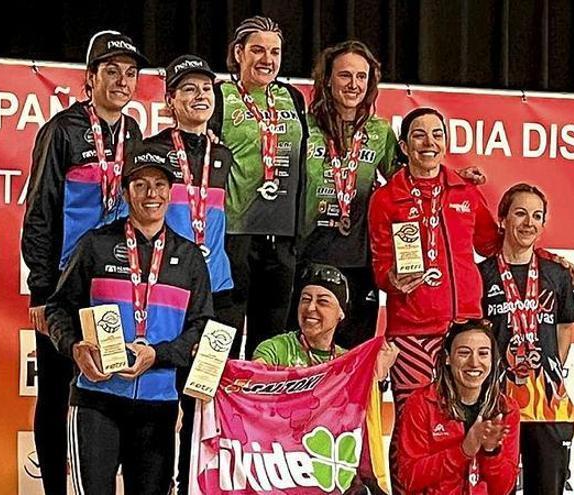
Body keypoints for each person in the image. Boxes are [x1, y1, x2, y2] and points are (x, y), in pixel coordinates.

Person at [21, 30, 147, 495]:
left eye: (130, 73)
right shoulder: (62, 130)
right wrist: (41, 291)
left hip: (114, 284)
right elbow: (39, 211)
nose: (121, 81)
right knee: (55, 394)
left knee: (104, 391)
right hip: (64, 288)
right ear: (89, 77)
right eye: (111, 71)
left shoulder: (132, 133)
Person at [45, 143, 212, 495]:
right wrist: (74, 347)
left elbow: (201, 330)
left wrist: (159, 355)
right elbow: (58, 308)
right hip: (96, 400)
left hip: (159, 404)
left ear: (171, 192)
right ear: (125, 192)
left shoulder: (190, 257)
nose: (152, 194)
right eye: (140, 185)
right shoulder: (95, 245)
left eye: (160, 185)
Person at [368, 107, 499, 493]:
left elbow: (495, 244)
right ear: (405, 146)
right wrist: (393, 279)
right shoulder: (386, 198)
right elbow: (380, 267)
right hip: (412, 334)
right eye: (419, 136)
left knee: (462, 425)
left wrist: (547, 258)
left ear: (446, 143)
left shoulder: (465, 192)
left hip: (464, 330)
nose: (429, 143)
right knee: (413, 427)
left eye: (437, 134)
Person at [144, 54, 236, 495]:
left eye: (207, 89)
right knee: (165, 397)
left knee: (202, 399)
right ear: (170, 101)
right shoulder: (154, 152)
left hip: (217, 295)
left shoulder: (222, 152)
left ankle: (192, 487)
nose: (200, 97)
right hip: (169, 295)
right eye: (189, 90)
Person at [208, 15, 309, 358]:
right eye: (257, 50)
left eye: (275, 52)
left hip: (282, 239)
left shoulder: (292, 98)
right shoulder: (219, 96)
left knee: (270, 344)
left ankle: (261, 412)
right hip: (235, 236)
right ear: (238, 53)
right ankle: (211, 413)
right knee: (224, 336)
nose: (267, 59)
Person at [254, 263, 399, 494]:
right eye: (305, 299)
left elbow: (364, 424)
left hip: (332, 467)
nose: (311, 308)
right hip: (281, 467)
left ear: (341, 312)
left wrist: (377, 379)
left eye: (322, 301)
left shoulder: (349, 362)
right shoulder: (275, 348)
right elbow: (253, 381)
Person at [297, 40, 401, 349]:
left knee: (352, 357)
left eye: (361, 76)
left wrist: (453, 177)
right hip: (308, 257)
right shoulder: (303, 126)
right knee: (307, 355)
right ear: (327, 79)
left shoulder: (380, 132)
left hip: (358, 263)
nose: (353, 84)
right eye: (345, 75)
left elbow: (409, 180)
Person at [478, 183, 574, 495]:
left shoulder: (556, 274)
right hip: (495, 400)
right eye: (520, 213)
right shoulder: (481, 275)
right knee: (495, 487)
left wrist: (551, 368)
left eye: (536, 216)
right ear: (503, 219)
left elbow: (565, 327)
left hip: (548, 403)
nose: (528, 223)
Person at [397, 320, 520, 495]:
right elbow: (409, 478)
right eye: (464, 353)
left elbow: (503, 488)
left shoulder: (506, 409)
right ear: (448, 357)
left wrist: (492, 453)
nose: (474, 363)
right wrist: (463, 451)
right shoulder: (421, 403)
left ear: (493, 359)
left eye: (483, 353)